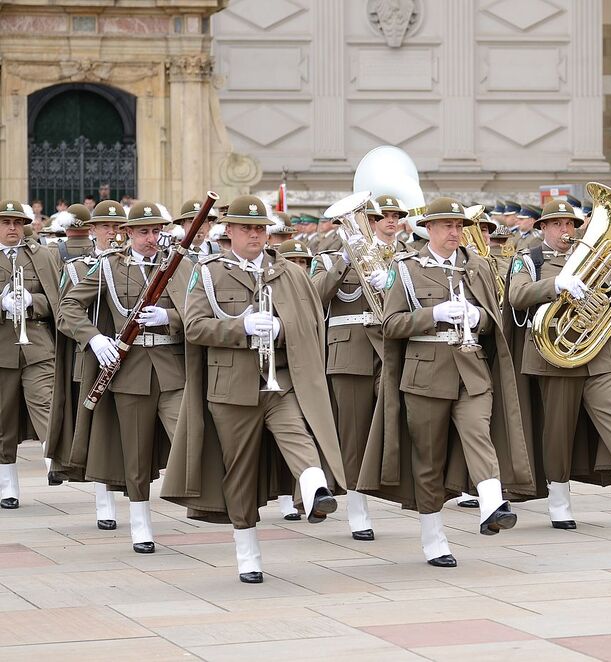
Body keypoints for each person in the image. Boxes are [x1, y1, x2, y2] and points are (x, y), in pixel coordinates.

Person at [162, 195, 346, 583]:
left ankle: (315, 490)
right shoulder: (208, 272)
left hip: (279, 381)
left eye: (261, 228)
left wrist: (282, 330)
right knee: (240, 471)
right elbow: (194, 327)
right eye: (247, 228)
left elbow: (311, 321)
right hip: (231, 389)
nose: (255, 235)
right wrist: (241, 328)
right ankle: (247, 550)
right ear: (229, 231)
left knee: (298, 433)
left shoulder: (288, 271)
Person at [359, 196, 532, 567]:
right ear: (430, 229)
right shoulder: (404, 268)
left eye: (459, 226)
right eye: (447, 226)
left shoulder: (477, 267)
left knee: (478, 434)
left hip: (471, 370)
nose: (455, 232)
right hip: (425, 374)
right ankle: (433, 537)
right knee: (428, 460)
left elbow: (492, 322)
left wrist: (478, 317)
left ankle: (491, 505)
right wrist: (431, 314)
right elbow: (390, 325)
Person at [507, 197, 611, 525]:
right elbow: (517, 295)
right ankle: (559, 501)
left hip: (598, 352)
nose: (565, 229)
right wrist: (555, 285)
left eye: (569, 223)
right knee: (558, 430)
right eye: (557, 224)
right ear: (543, 228)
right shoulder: (530, 259)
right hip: (555, 354)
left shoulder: (595, 259)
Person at [58, 201, 188, 552]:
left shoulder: (176, 265)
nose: (151, 238)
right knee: (136, 452)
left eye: (156, 231)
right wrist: (95, 339)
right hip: (130, 374)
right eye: (143, 231)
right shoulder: (108, 267)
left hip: (171, 369)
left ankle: (199, 495)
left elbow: (197, 310)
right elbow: (68, 307)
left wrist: (169, 318)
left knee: (188, 437)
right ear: (127, 233)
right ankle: (141, 522)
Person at [310, 194, 406, 541]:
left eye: (395, 216)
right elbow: (315, 297)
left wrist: (392, 280)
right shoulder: (326, 259)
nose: (388, 221)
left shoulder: (402, 258)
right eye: (381, 216)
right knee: (352, 435)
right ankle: (357, 510)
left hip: (390, 348)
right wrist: (345, 262)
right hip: (349, 353)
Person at [46, 200, 126, 529]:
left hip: (132, 358)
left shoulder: (135, 266)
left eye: (120, 227)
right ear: (92, 231)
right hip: (91, 359)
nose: (114, 233)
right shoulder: (78, 268)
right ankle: (104, 501)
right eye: (107, 226)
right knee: (95, 433)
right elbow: (66, 313)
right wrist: (92, 338)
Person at [0, 200, 61, 510]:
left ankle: (55, 463)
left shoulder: (41, 255)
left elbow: (58, 302)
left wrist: (32, 300)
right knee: (3, 421)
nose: (13, 228)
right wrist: (2, 304)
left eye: (17, 222)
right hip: (1, 350)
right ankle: (8, 486)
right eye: (6, 222)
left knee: (46, 404)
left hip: (37, 344)